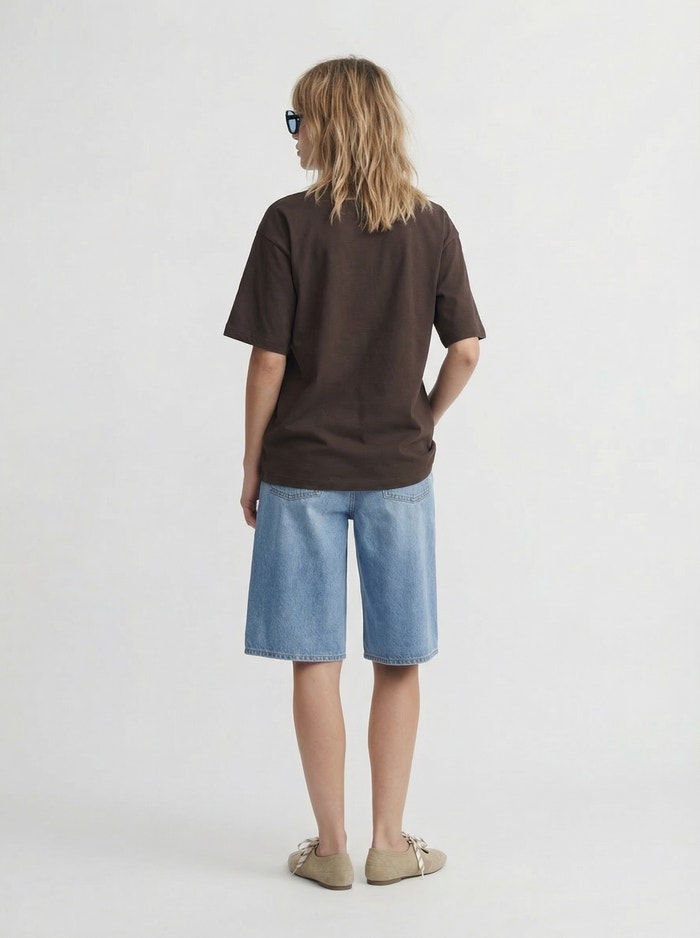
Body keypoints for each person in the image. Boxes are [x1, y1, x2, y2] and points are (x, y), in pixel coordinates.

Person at [223, 55, 485, 890]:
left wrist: (252, 463)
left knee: (315, 657)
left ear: (334, 125)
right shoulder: (432, 225)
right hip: (398, 473)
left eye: (300, 119)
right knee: (398, 659)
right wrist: (423, 420)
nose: (294, 135)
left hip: (301, 469)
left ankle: (331, 849)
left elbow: (268, 361)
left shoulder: (287, 222)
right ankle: (390, 844)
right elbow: (466, 351)